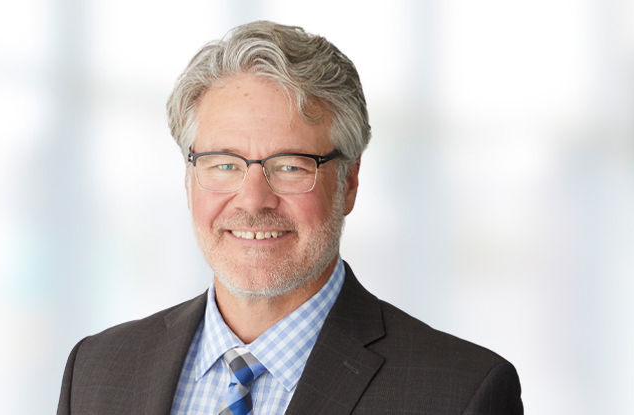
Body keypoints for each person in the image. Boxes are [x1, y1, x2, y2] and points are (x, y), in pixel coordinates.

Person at [57, 20, 523, 414]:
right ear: (187, 180)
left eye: (290, 166)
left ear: (350, 182)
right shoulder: (98, 371)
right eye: (224, 164)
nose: (253, 199)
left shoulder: (460, 394)